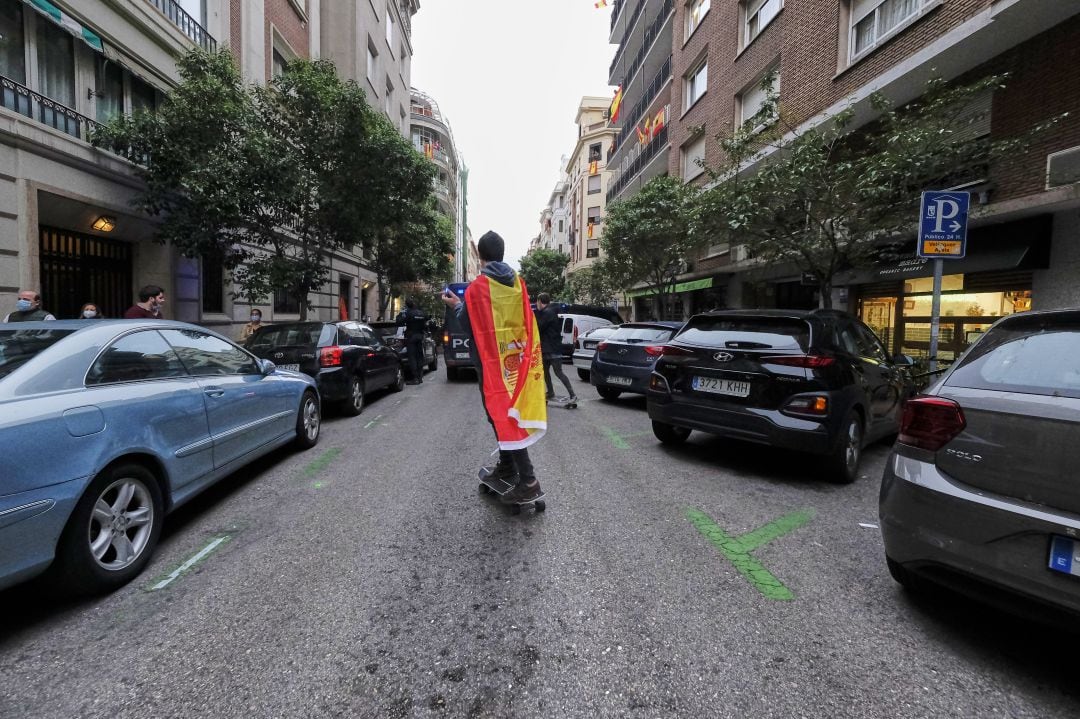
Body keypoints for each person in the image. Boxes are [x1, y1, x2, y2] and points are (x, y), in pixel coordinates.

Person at [441, 231, 547, 504]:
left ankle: (528, 480)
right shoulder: (518, 284)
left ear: (482, 257)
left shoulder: (479, 287)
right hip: (515, 362)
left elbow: (469, 324)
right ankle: (508, 465)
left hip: (491, 366)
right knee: (508, 414)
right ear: (501, 254)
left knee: (502, 417)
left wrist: (456, 306)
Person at [534, 292, 577, 405]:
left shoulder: (547, 313)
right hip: (548, 348)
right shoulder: (549, 311)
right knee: (545, 371)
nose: (536, 304)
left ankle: (573, 395)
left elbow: (539, 326)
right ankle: (551, 392)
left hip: (552, 348)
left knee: (558, 372)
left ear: (540, 301)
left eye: (537, 301)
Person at [395, 298, 428, 384]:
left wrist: (400, 314)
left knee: (412, 357)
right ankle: (420, 377)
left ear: (407, 305)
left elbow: (399, 322)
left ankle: (415, 378)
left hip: (411, 337)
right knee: (419, 357)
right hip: (420, 336)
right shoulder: (421, 313)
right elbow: (426, 323)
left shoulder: (408, 313)